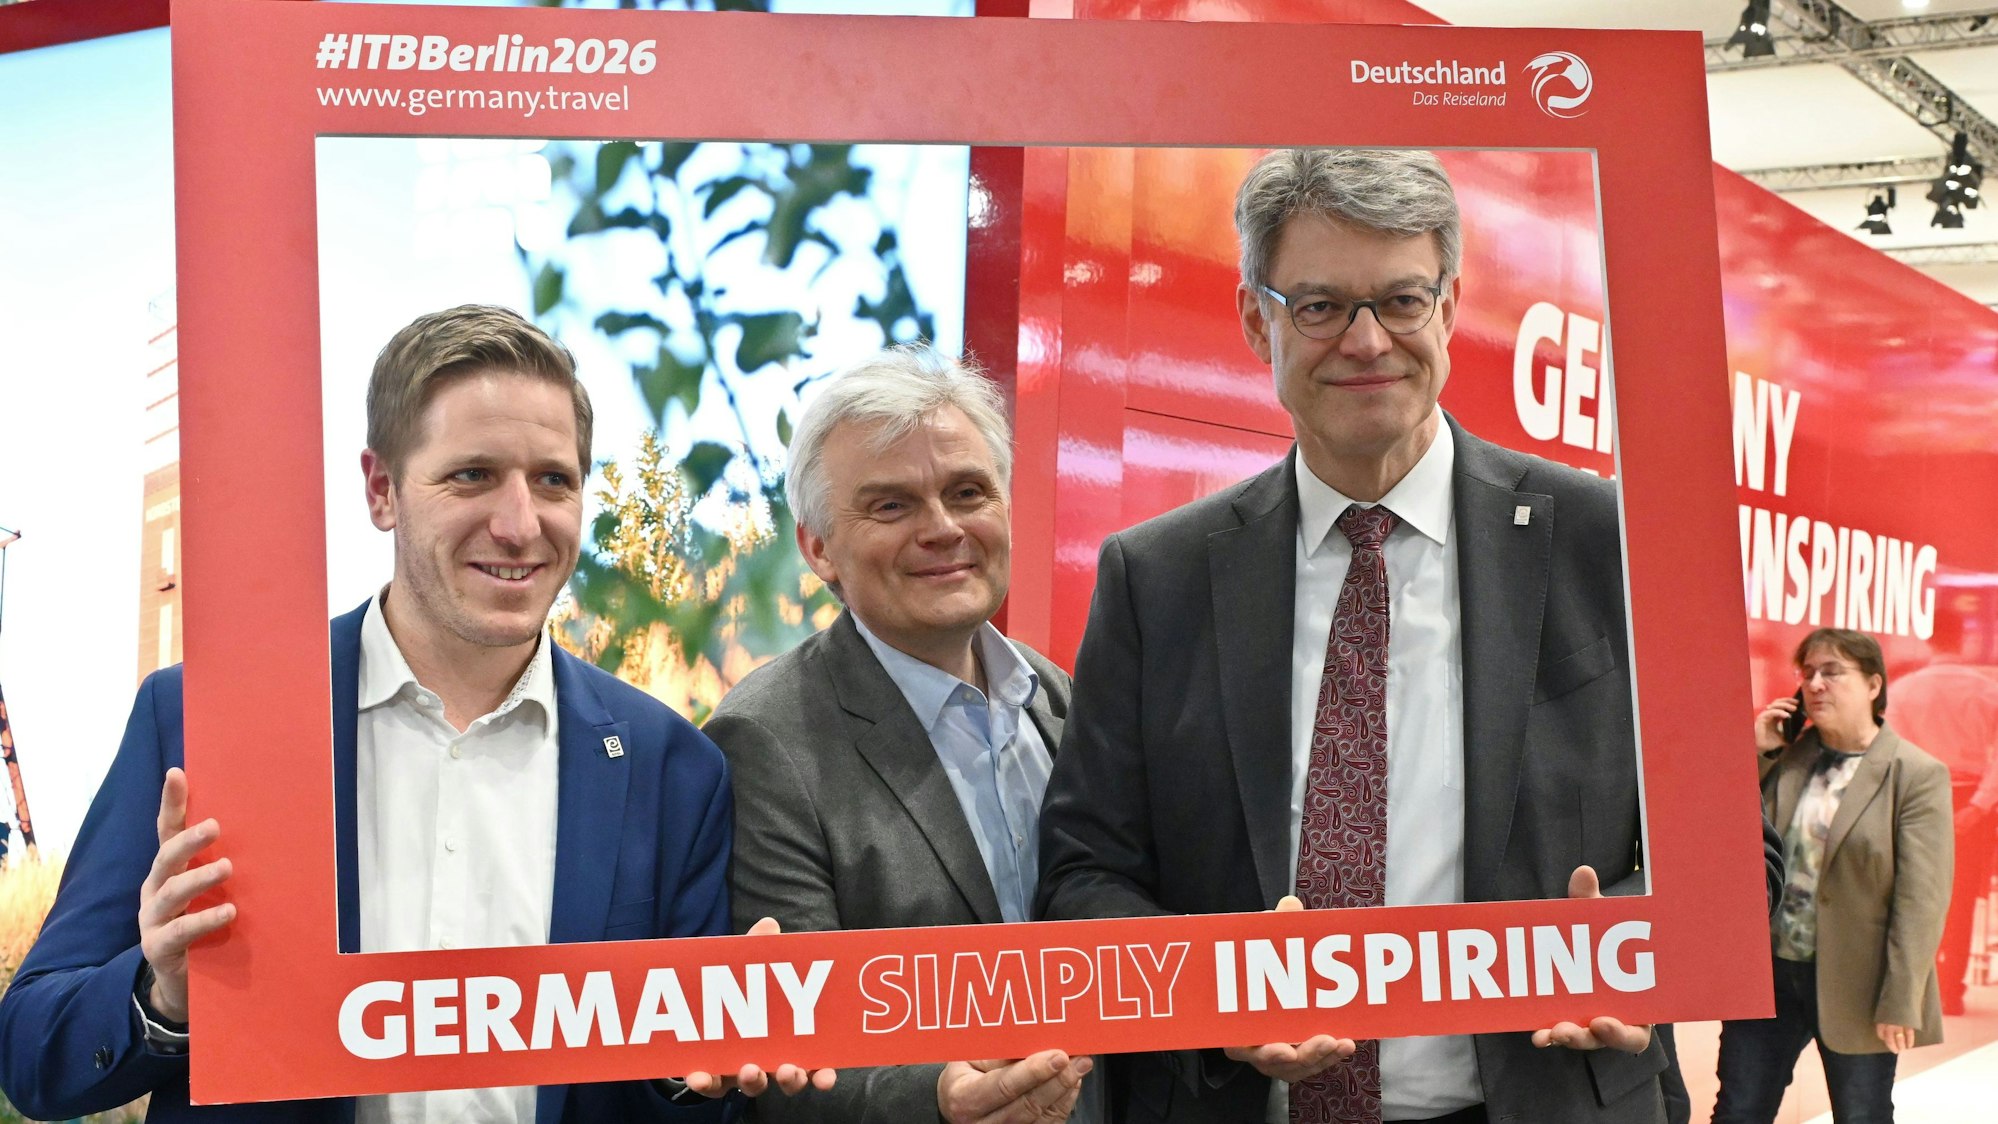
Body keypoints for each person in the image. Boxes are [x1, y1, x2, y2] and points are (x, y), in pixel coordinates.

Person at [0, 306, 830, 1122]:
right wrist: (162, 993)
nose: (518, 525)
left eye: (553, 481)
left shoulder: (671, 766)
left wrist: (711, 1061)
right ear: (381, 489)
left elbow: (680, 1095)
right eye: (471, 475)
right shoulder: (193, 719)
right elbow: (34, 1057)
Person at [1036, 148, 1713, 1124]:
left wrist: (1632, 940)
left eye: (1400, 300)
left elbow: (1735, 853)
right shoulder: (1159, 578)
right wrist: (1207, 996)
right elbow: (1083, 872)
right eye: (1318, 305)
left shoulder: (1609, 543)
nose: (1366, 340)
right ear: (1254, 318)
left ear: (1447, 307)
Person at [705, 346, 1094, 1124]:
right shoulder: (766, 740)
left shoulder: (1061, 699)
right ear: (819, 549)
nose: (944, 529)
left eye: (968, 492)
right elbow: (791, 1046)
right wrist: (941, 1098)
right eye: (892, 506)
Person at [1713, 628, 1954, 1124]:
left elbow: (1920, 900)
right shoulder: (1787, 757)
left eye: (1833, 671)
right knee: (1738, 1111)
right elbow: (1722, 832)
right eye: (1808, 673)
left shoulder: (1913, 773)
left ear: (1873, 684)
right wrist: (1756, 752)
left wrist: (1902, 997)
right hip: (1770, 979)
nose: (1815, 684)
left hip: (1858, 985)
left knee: (1862, 1114)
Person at [1889, 605, 1998, 1016]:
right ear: (1963, 639)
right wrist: (1978, 805)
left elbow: (1893, 756)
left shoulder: (1904, 691)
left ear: (1927, 640)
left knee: (1914, 894)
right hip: (1970, 799)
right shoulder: (1986, 690)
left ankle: (1917, 987)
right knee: (1962, 895)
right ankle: (1950, 991)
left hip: (1918, 798)